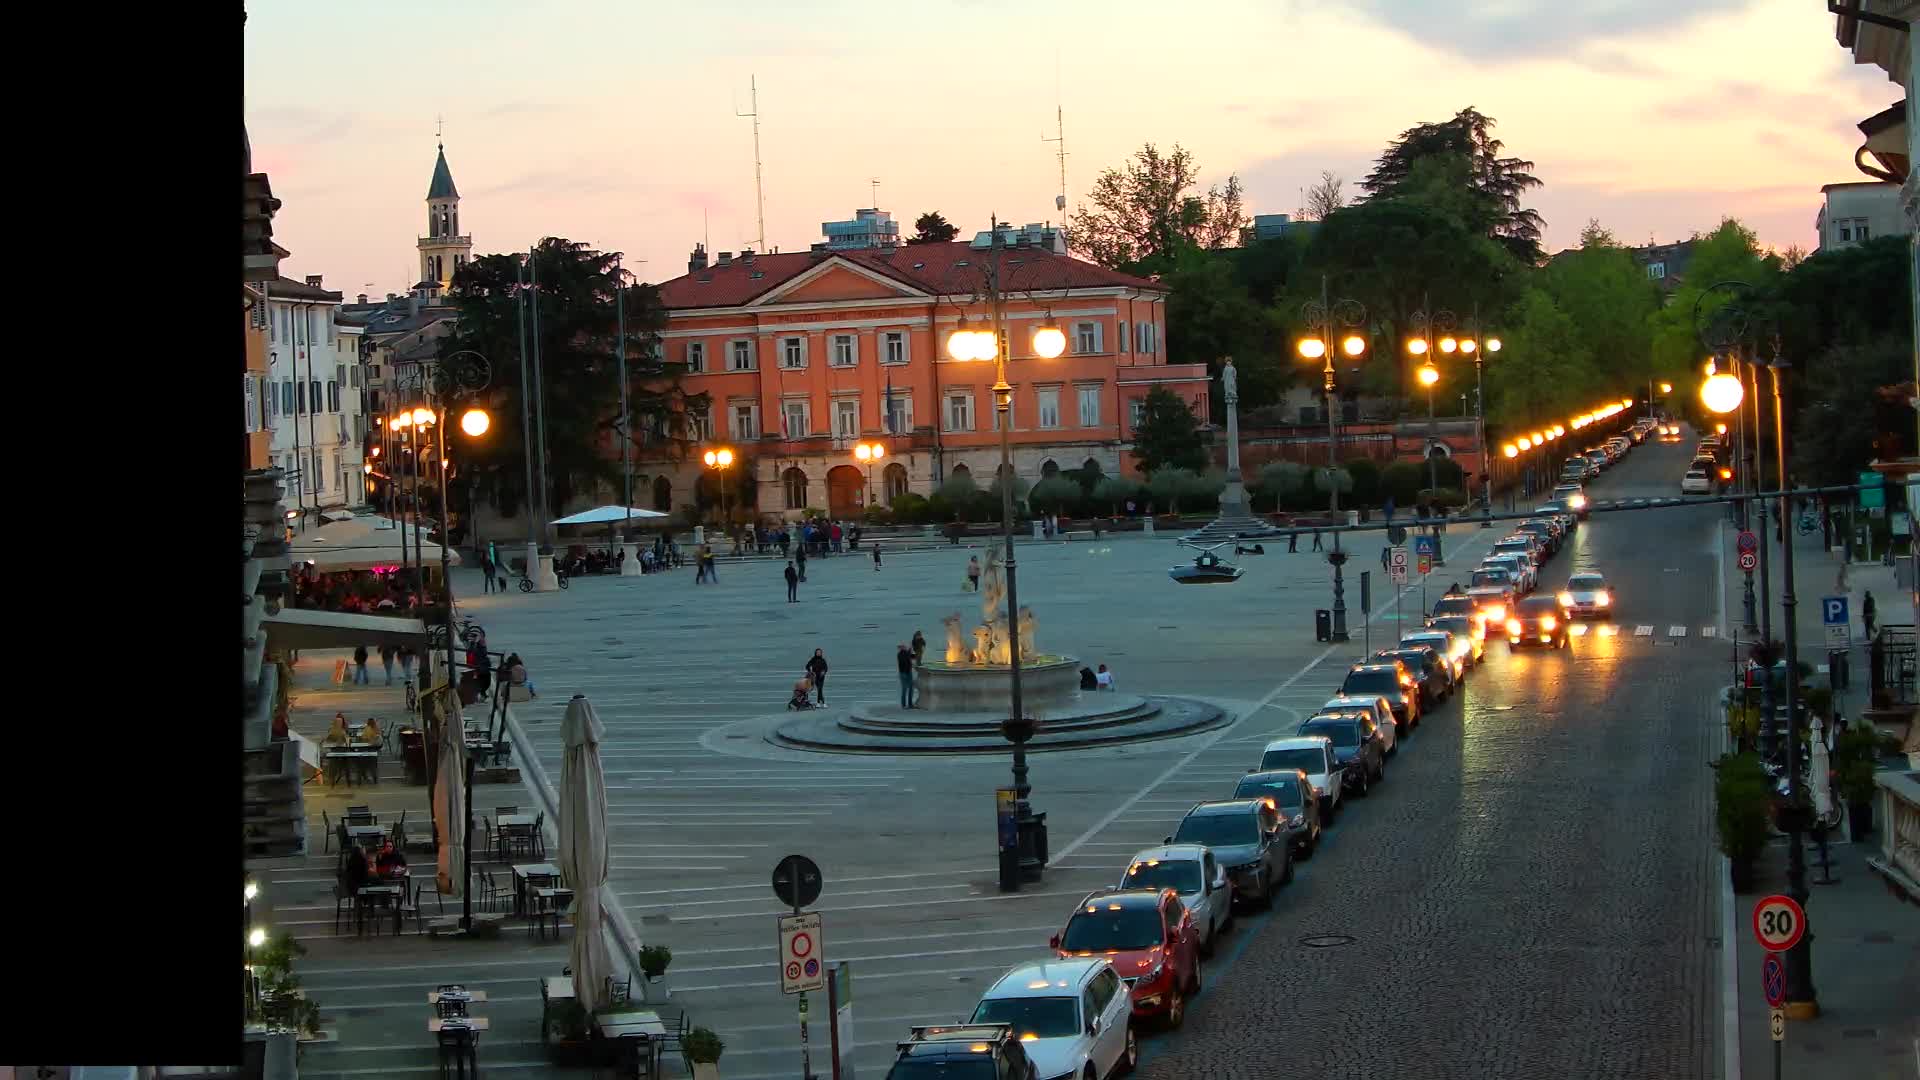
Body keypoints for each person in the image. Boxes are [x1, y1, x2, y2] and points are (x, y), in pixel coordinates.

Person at [897, 643, 917, 708]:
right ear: (900, 648)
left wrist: (912, 651)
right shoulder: (900, 654)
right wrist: (909, 651)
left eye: (904, 646)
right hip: (903, 673)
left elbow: (914, 657)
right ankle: (904, 705)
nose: (904, 647)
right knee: (904, 689)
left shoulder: (907, 653)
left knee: (911, 688)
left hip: (908, 672)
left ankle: (910, 704)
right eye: (902, 647)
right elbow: (905, 660)